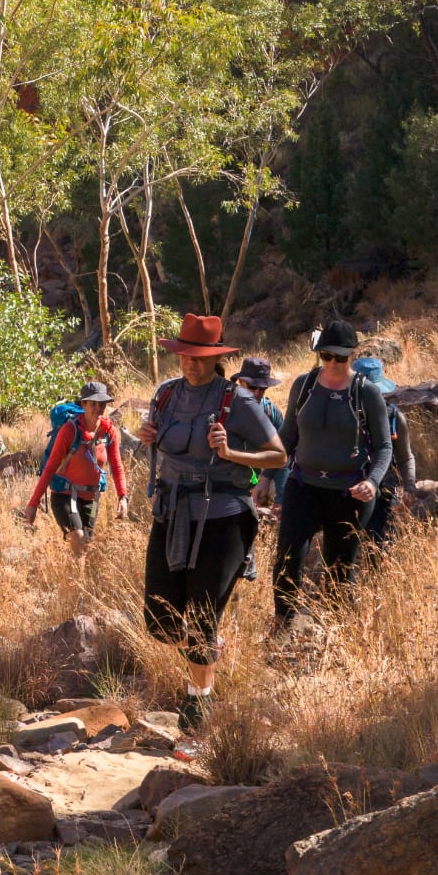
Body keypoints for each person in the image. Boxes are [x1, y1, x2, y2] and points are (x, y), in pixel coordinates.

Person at [142, 313, 286, 734]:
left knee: (203, 618)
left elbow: (277, 455)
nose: (190, 363)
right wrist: (147, 434)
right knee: (160, 619)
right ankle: (206, 648)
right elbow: (161, 442)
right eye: (185, 354)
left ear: (216, 358)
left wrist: (233, 455)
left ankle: (197, 707)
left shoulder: (236, 401)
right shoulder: (166, 395)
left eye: (200, 357)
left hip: (224, 519)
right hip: (172, 513)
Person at [271, 319, 394, 629]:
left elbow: (383, 447)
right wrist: (265, 477)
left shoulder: (365, 393)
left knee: (340, 567)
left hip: (349, 492)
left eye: (341, 357)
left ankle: (338, 631)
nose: (334, 363)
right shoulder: (304, 386)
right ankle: (284, 625)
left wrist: (372, 481)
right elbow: (287, 437)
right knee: (288, 557)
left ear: (352, 355)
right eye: (327, 356)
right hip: (304, 486)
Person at [23, 380, 126, 539]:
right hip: (65, 494)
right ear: (83, 404)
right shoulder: (70, 430)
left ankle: (72, 565)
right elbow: (50, 468)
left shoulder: (108, 431)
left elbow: (117, 467)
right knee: (78, 537)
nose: (98, 410)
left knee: (86, 544)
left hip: (92, 498)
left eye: (102, 405)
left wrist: (122, 497)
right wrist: (33, 504)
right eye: (93, 404)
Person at [233, 356, 287, 580]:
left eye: (262, 388)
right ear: (240, 383)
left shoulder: (271, 412)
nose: (257, 393)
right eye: (252, 387)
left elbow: (284, 456)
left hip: (262, 482)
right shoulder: (227, 408)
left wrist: (281, 497)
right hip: (233, 484)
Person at [354, 355, 413, 545]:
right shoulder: (340, 417)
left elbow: (405, 457)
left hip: (383, 490)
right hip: (347, 488)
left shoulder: (395, 418)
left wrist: (410, 486)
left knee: (381, 545)